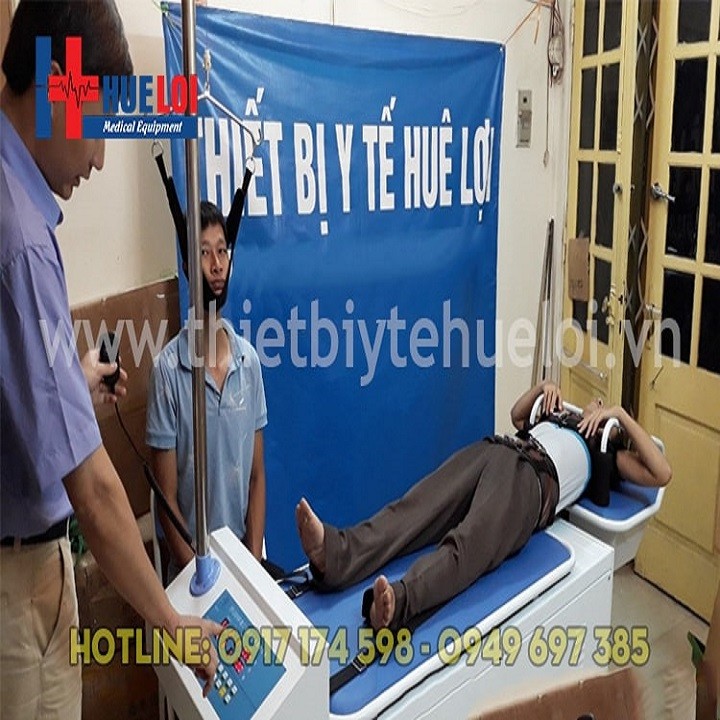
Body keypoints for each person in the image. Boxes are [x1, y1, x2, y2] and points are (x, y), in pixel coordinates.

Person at [0, 3, 221, 718]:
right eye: (97, 124)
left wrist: (68, 389)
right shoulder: (20, 237)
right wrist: (171, 625)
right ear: (56, 85)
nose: (99, 158)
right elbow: (95, 490)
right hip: (17, 584)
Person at [296, 380, 672, 632]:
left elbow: (661, 473)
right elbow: (517, 416)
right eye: (597, 402)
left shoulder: (607, 453)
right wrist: (542, 388)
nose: (597, 405)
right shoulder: (559, 416)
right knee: (415, 509)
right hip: (496, 449)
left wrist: (620, 416)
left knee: (469, 544)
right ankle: (335, 553)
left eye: (602, 407)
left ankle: (399, 601)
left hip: (530, 483)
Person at [146, 200, 268, 582]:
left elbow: (256, 478)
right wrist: (205, 578)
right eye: (204, 253)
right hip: (194, 577)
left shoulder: (248, 363)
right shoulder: (167, 372)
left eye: (222, 251)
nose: (217, 265)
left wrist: (252, 570)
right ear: (187, 266)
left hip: (244, 567)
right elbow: (166, 501)